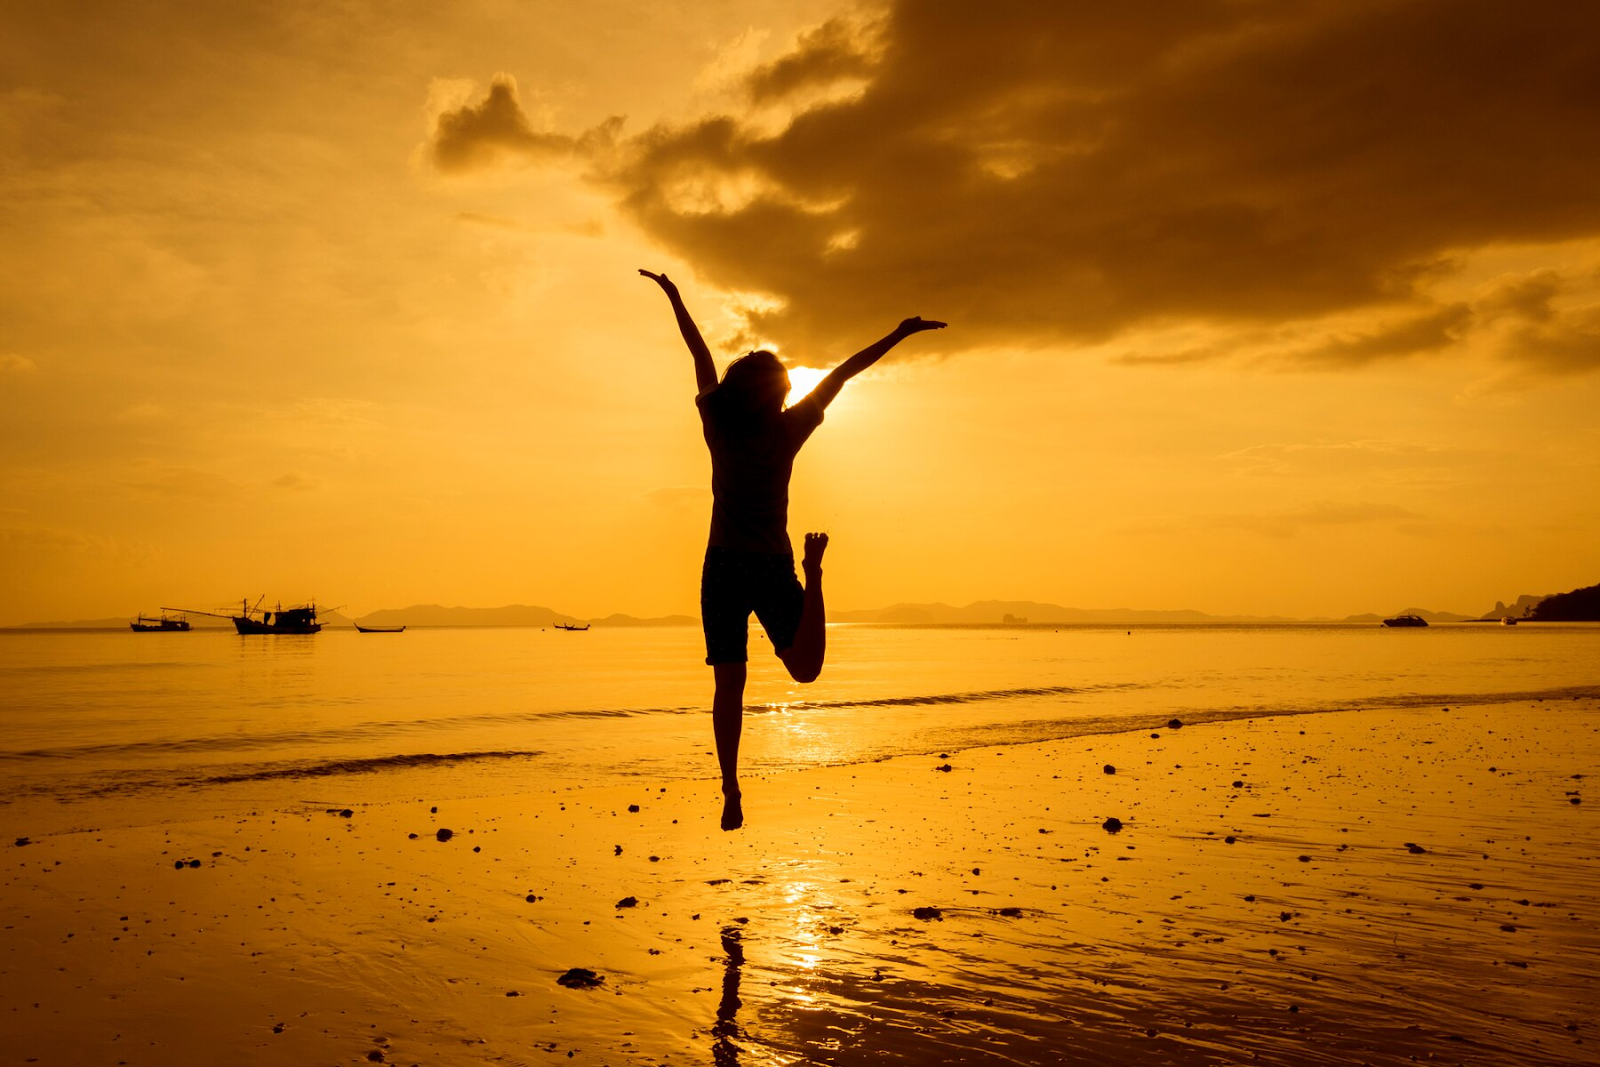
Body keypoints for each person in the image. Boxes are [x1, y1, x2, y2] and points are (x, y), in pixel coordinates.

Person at [640, 268, 946, 829]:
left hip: (726, 566)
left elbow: (700, 354)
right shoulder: (789, 429)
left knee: (729, 684)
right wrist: (898, 334)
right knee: (803, 672)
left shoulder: (720, 426)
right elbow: (842, 375)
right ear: (778, 394)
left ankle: (730, 783)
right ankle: (816, 574)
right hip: (768, 566)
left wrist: (676, 297)